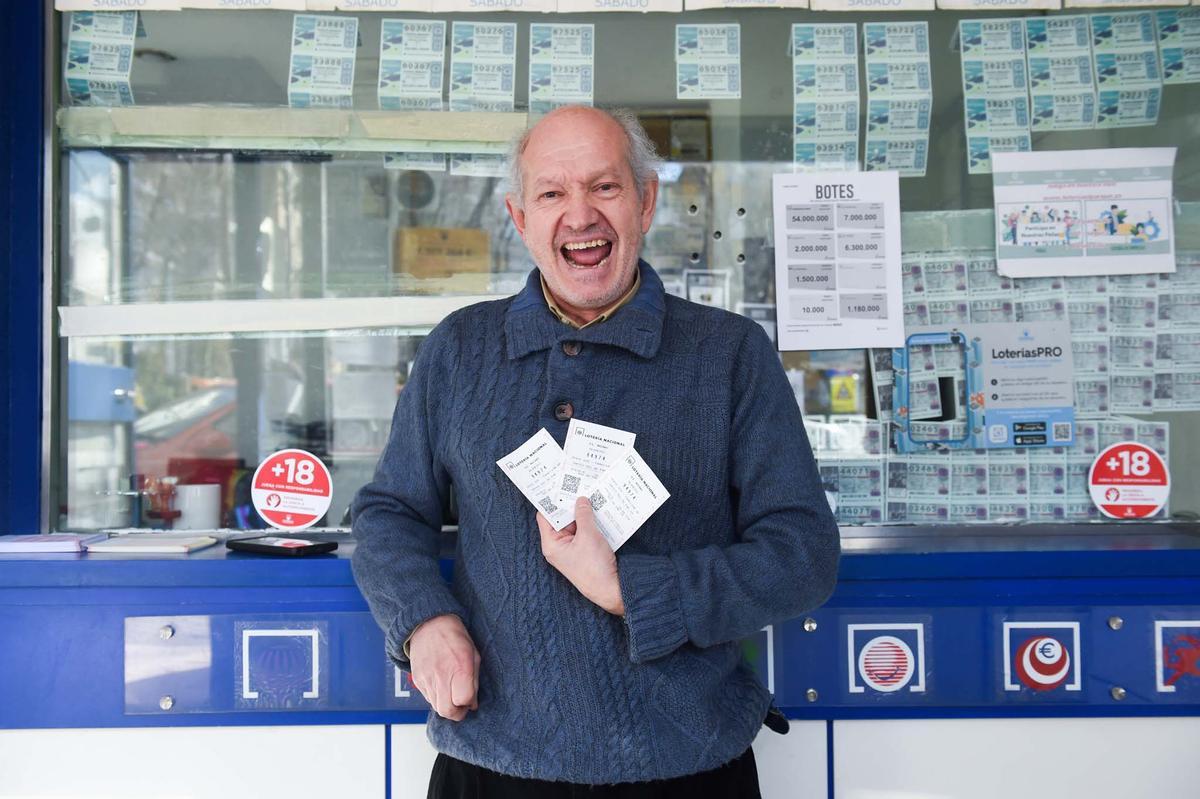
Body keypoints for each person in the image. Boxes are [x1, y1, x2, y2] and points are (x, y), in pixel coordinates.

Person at [351, 105, 840, 798]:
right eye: (552, 193)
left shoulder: (729, 355)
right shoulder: (459, 350)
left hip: (686, 765)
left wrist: (633, 590)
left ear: (646, 200)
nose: (579, 215)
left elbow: (803, 555)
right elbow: (389, 513)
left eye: (604, 187)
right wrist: (423, 620)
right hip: (492, 764)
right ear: (519, 219)